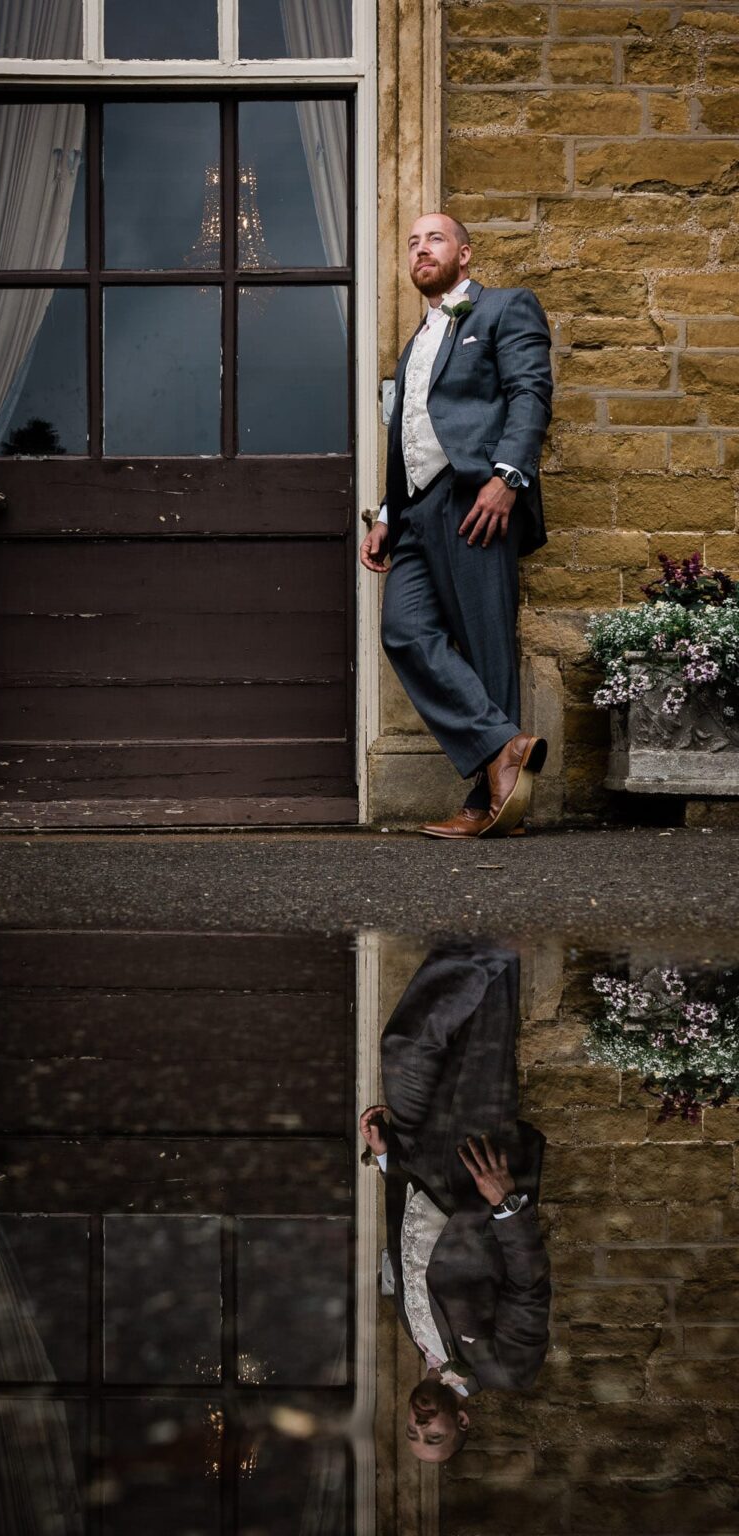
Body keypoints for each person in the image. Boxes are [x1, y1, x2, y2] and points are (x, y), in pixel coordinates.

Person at [359, 213, 554, 838]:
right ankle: (505, 749)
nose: (421, 249)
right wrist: (389, 515)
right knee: (404, 630)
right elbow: (407, 437)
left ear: (464, 255)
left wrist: (508, 479)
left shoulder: (504, 308)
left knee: (487, 644)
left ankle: (494, 807)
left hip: (478, 496)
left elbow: (531, 394)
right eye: (412, 242)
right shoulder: (415, 343)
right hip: (416, 511)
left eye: (434, 239)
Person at [359, 943, 550, 1462]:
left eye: (412, 1434)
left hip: (417, 1160)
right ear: (461, 1420)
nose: (420, 1424)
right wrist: (506, 1203)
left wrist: (385, 1160)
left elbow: (407, 1245)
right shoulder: (506, 1369)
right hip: (474, 1173)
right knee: (481, 1043)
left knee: (404, 1047)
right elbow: (529, 1286)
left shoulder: (414, 1337)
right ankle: (499, 936)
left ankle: (479, 941)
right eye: (435, 1435)